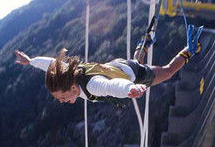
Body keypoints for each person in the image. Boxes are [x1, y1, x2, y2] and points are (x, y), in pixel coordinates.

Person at [14, 26, 204, 105]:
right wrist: (30, 61)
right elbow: (52, 64)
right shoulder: (71, 74)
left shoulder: (91, 85)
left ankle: (190, 48)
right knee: (135, 62)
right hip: (116, 65)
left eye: (63, 97)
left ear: (72, 87)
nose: (63, 102)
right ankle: (143, 45)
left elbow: (110, 87)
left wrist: (131, 88)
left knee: (168, 72)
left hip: (131, 75)